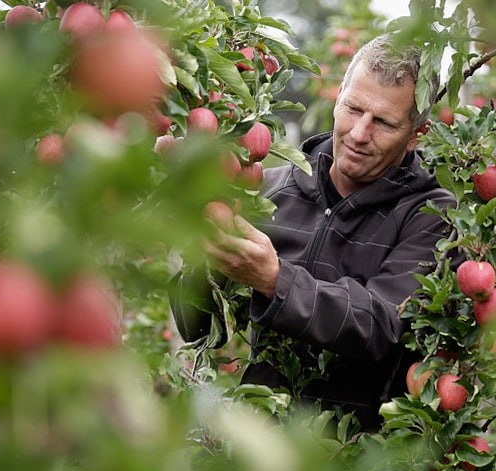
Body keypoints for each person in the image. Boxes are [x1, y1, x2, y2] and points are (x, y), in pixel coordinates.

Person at [174, 33, 457, 430]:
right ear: (338, 95)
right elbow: (196, 327)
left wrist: (274, 280)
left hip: (359, 469)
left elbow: (382, 326)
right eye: (353, 108)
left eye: (384, 123)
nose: (360, 133)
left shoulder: (430, 214)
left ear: (416, 135)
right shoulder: (270, 190)